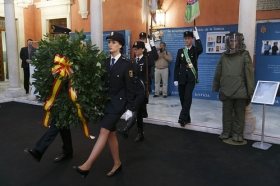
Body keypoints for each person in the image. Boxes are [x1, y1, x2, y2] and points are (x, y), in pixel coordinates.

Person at [73, 32, 134, 179]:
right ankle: (117, 163)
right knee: (111, 134)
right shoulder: (106, 62)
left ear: (120, 45)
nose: (110, 44)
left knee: (104, 131)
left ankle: (87, 166)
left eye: (113, 42)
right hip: (106, 103)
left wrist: (130, 109)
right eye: (109, 42)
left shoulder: (127, 64)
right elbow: (100, 84)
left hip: (118, 104)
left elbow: (130, 88)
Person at [24, 27, 74, 163]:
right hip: (57, 94)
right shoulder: (55, 51)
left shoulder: (71, 51)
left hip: (66, 94)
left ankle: (38, 151)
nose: (55, 38)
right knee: (62, 124)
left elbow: (74, 71)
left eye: (57, 36)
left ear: (64, 36)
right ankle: (68, 150)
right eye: (54, 36)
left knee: (57, 124)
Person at [212, 32, 254, 142]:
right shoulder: (224, 56)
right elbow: (218, 71)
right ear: (228, 42)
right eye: (231, 40)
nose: (233, 43)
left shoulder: (244, 54)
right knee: (226, 113)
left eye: (235, 40)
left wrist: (250, 90)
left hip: (240, 89)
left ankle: (237, 134)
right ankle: (226, 132)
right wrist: (216, 87)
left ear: (239, 42)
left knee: (240, 113)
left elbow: (249, 72)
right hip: (226, 88)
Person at [118, 41, 154, 142]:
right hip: (134, 89)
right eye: (135, 49)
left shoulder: (146, 59)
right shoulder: (133, 61)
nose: (136, 50)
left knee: (135, 108)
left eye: (138, 48)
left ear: (143, 49)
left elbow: (152, 62)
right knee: (138, 113)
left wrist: (150, 50)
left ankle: (126, 129)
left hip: (142, 89)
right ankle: (140, 133)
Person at [174, 28, 203, 127]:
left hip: (191, 78)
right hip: (181, 78)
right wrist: (175, 79)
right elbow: (177, 66)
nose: (187, 40)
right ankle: (187, 118)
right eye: (185, 38)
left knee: (187, 97)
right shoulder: (180, 51)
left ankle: (182, 117)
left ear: (192, 39)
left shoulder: (195, 50)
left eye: (189, 38)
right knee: (182, 98)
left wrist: (198, 37)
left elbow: (201, 49)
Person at [139, 32, 158, 118]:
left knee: (145, 94)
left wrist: (151, 47)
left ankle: (144, 110)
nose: (142, 40)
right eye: (141, 39)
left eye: (144, 39)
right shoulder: (139, 48)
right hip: (139, 74)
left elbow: (155, 58)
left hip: (147, 74)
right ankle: (142, 111)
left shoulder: (150, 48)